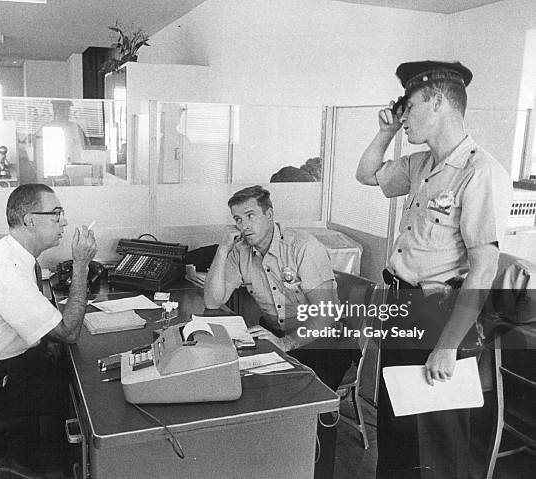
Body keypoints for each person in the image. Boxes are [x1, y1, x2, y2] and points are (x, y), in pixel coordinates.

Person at [356, 61, 512, 478]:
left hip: (439, 315)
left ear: (438, 101)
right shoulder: (421, 164)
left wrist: (447, 345)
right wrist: (387, 131)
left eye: (407, 106)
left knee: (437, 440)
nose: (403, 116)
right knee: (397, 427)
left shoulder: (481, 172)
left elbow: (482, 270)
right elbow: (367, 173)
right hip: (402, 307)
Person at [204, 185, 356, 478]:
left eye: (250, 215)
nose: (243, 225)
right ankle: (270, 465)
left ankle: (315, 470)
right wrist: (222, 249)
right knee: (244, 385)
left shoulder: (302, 247)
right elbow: (213, 300)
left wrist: (285, 343)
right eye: (237, 219)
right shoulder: (240, 252)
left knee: (307, 403)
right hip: (278, 336)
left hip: (325, 340)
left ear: (269, 214)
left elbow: (327, 315)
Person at [0, 183, 97, 418]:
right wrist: (81, 265)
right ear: (29, 221)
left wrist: (47, 341)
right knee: (84, 395)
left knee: (75, 371)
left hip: (6, 363)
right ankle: (43, 453)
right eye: (56, 214)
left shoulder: (12, 253)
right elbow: (69, 333)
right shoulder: (6, 271)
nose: (64, 222)